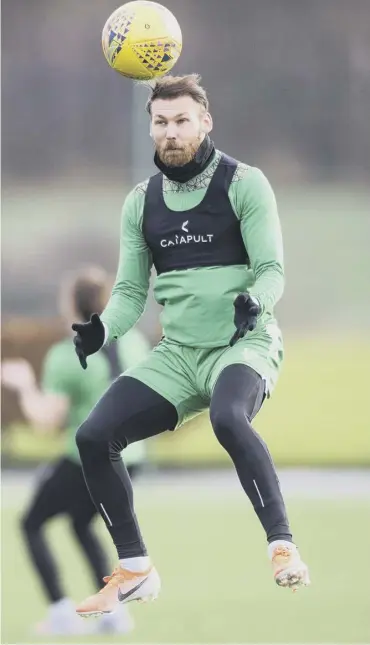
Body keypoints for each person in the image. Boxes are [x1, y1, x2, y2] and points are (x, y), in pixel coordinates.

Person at [71, 74, 311, 619]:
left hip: (241, 343)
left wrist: (255, 300)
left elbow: (273, 270)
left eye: (182, 120)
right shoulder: (140, 202)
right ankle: (135, 568)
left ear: (205, 121)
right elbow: (132, 292)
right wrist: (102, 329)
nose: (171, 132)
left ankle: (282, 546)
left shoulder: (245, 183)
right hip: (178, 356)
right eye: (161, 122)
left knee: (229, 417)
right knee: (93, 436)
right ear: (150, 127)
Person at [1, 266, 150, 635]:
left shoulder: (69, 354)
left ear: (71, 305)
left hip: (88, 460)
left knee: (31, 523)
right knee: (81, 524)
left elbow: (46, 421)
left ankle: (60, 611)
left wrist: (21, 385)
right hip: (131, 459)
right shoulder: (133, 342)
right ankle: (114, 612)